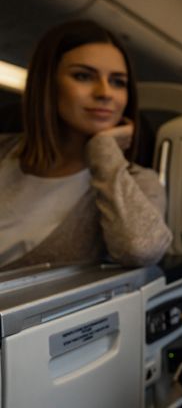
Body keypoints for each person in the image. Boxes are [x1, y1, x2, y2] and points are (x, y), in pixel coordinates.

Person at [0, 19, 172, 269]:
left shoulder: (138, 182)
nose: (105, 93)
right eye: (83, 76)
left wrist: (104, 151)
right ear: (48, 85)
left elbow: (141, 250)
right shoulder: (4, 152)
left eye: (117, 82)